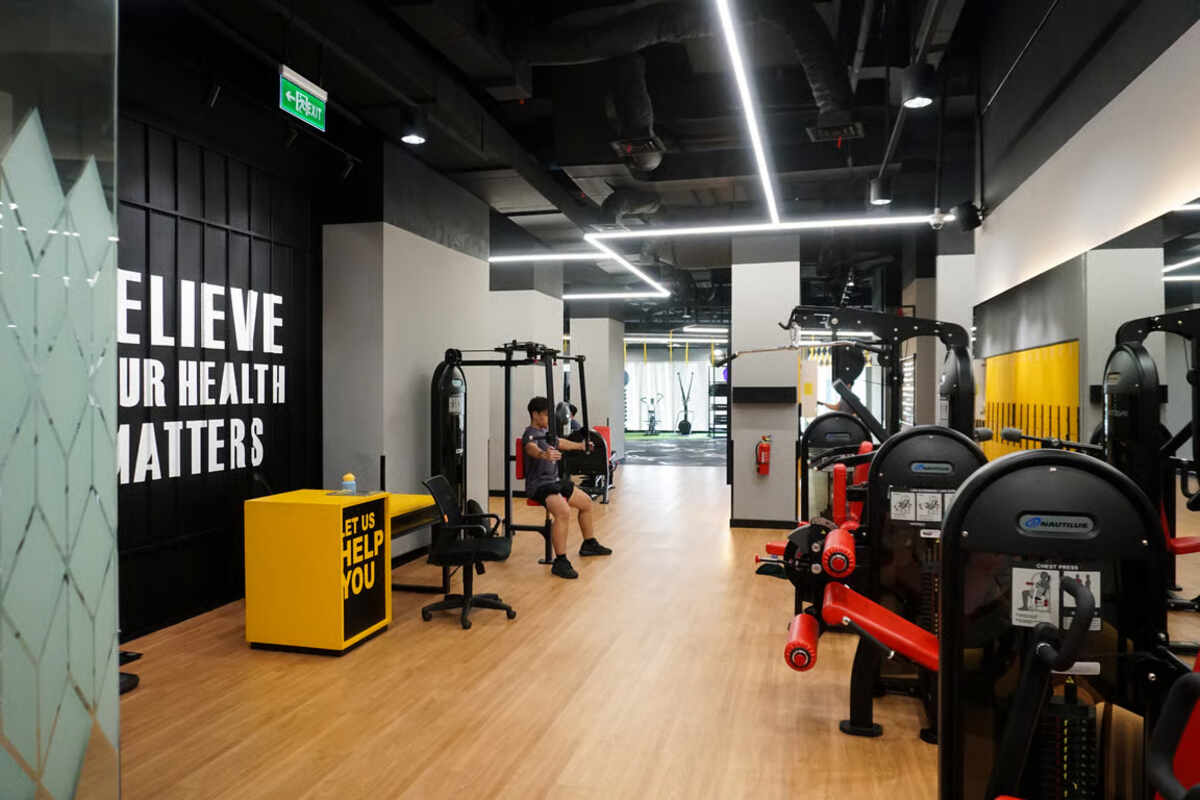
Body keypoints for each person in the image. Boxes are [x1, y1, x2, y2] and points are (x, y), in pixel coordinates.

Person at [523, 396, 611, 579]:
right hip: (539, 485)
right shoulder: (530, 433)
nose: (549, 419)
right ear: (535, 414)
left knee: (586, 503)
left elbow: (561, 443)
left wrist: (580, 446)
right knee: (563, 512)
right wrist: (543, 454)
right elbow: (530, 448)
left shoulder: (547, 433)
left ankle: (589, 544)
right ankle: (560, 561)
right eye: (546, 415)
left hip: (554, 481)